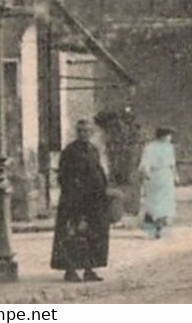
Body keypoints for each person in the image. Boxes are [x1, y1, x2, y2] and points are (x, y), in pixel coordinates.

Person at [51, 118, 110, 282]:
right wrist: (74, 194)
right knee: (73, 234)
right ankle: (70, 270)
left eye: (87, 131)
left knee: (92, 234)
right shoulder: (70, 151)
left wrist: (103, 189)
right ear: (77, 133)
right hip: (75, 200)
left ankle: (89, 269)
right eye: (81, 131)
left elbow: (98, 171)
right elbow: (63, 176)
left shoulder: (93, 150)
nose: (84, 134)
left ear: (91, 133)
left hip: (93, 200)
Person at [135, 127, 177, 239]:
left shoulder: (169, 147)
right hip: (154, 176)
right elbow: (146, 162)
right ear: (162, 136)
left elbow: (172, 163)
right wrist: (146, 173)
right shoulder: (150, 148)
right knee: (154, 202)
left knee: (165, 201)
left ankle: (161, 226)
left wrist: (175, 175)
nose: (170, 138)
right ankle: (153, 226)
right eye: (168, 135)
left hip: (166, 176)